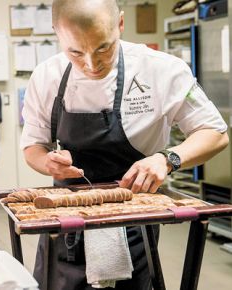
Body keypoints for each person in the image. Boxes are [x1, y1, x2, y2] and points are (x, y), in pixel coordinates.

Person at [20, 0, 229, 289]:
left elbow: (215, 132)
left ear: (120, 24)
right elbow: (33, 147)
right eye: (75, 52)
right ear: (57, 32)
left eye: (103, 48)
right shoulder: (46, 76)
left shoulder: (162, 70)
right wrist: (47, 162)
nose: (91, 65)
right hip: (66, 220)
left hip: (135, 218)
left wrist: (166, 159)